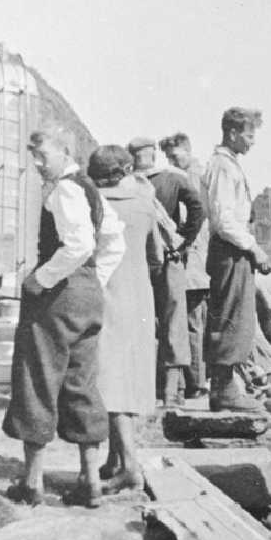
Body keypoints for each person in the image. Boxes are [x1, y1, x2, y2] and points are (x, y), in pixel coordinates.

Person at [2, 125, 125, 507]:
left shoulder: (65, 189)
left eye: (44, 155)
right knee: (82, 383)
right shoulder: (91, 189)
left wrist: (42, 278)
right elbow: (113, 241)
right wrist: (94, 280)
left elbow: (78, 244)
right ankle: (90, 483)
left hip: (59, 294)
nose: (38, 164)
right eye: (34, 156)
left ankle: (33, 482)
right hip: (86, 294)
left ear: (65, 151)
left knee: (37, 377)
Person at [89, 145, 161, 493]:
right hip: (140, 297)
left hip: (107, 294)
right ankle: (116, 459)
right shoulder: (145, 203)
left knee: (109, 376)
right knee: (129, 376)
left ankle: (129, 465)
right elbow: (158, 255)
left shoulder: (94, 204)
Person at [202, 107, 270, 412]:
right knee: (230, 318)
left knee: (236, 318)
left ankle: (223, 387)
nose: (253, 141)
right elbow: (224, 220)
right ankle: (224, 390)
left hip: (233, 250)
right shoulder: (222, 167)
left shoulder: (229, 165)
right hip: (230, 250)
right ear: (232, 133)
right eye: (249, 134)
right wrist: (254, 248)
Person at [129, 136, 204, 406]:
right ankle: (175, 390)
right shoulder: (173, 179)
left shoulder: (130, 185)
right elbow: (198, 208)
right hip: (170, 256)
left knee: (149, 322)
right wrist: (184, 240)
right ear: (153, 154)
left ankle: (158, 387)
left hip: (141, 260)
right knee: (174, 322)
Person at [161, 132, 211, 398]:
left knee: (190, 322)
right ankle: (195, 380)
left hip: (193, 262)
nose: (171, 161)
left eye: (175, 156)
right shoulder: (199, 174)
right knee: (194, 322)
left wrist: (179, 241)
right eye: (168, 157)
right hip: (199, 262)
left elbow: (194, 219)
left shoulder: (190, 177)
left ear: (187, 150)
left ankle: (194, 384)